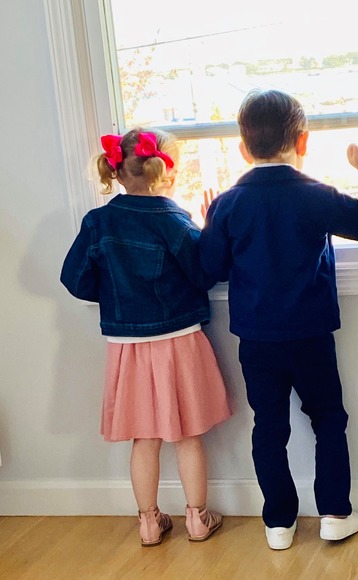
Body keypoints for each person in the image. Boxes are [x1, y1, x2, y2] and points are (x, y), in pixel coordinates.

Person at [200, 89, 358, 550]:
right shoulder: (314, 195)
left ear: (243, 148)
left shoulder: (228, 203)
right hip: (311, 335)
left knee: (268, 428)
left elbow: (209, 270)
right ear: (302, 141)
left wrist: (209, 225)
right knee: (328, 419)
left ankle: (279, 523)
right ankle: (335, 514)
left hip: (257, 340)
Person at [60, 128, 232, 546]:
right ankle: (197, 519)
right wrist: (210, 229)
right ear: (166, 173)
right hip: (179, 340)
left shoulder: (98, 221)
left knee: (145, 437)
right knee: (188, 434)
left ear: (117, 171)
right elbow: (204, 274)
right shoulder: (173, 219)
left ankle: (149, 523)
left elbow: (75, 279)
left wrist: (116, 294)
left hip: (128, 347)